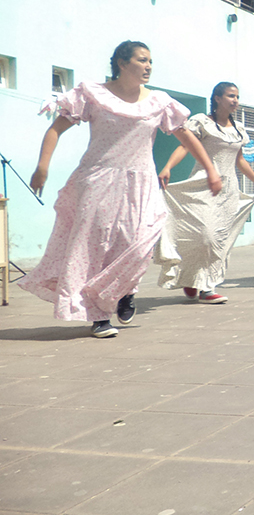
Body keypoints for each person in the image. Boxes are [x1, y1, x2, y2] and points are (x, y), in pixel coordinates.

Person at [20, 41, 221, 338]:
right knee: (95, 246)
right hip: (97, 179)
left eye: (150, 61)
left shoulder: (159, 102)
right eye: (142, 60)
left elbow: (186, 136)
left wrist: (211, 170)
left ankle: (125, 290)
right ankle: (99, 316)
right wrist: (42, 167)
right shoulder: (93, 95)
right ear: (122, 63)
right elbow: (55, 129)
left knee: (139, 242)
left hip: (141, 181)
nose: (148, 66)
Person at [154, 82, 254, 304]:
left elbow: (240, 159)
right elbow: (185, 146)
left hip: (229, 190)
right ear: (217, 98)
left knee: (219, 239)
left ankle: (205, 285)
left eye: (237, 96)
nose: (235, 100)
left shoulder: (239, 128)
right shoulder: (201, 121)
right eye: (230, 96)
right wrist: (167, 167)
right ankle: (192, 276)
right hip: (203, 185)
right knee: (205, 235)